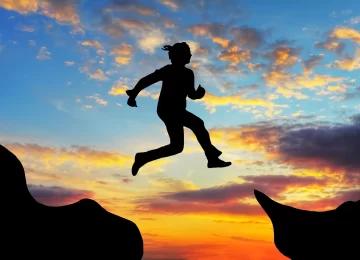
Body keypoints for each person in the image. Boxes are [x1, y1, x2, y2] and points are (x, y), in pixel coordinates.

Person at [126, 42, 231, 176]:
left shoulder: (188, 73)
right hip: (167, 110)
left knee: (176, 147)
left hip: (179, 111)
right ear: (178, 56)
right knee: (198, 124)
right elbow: (146, 80)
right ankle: (212, 158)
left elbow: (191, 94)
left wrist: (198, 94)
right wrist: (133, 95)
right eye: (187, 53)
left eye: (190, 53)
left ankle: (143, 157)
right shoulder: (167, 70)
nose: (190, 55)